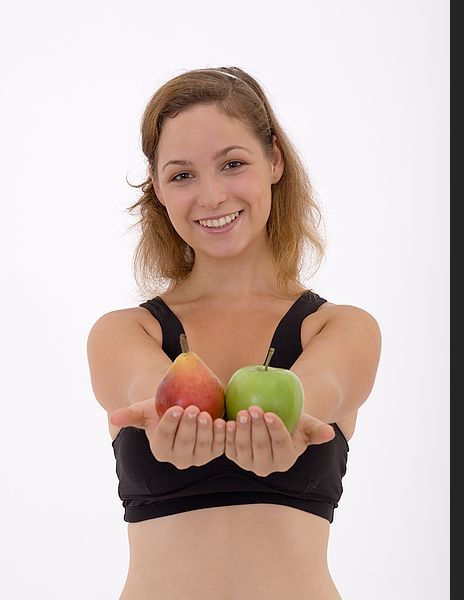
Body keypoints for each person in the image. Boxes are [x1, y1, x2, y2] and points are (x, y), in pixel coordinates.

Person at [87, 66, 381, 600]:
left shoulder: (341, 328)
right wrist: (168, 415)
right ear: (157, 189)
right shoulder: (124, 332)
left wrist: (285, 425)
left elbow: (319, 389)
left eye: (233, 164)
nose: (211, 195)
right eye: (182, 175)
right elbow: (146, 390)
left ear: (274, 161)